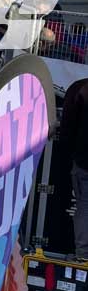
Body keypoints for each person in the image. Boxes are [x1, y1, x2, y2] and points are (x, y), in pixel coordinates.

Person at [61, 78, 88, 260]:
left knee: (84, 205)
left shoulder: (79, 88)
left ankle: (83, 256)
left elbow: (67, 129)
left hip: (84, 161)